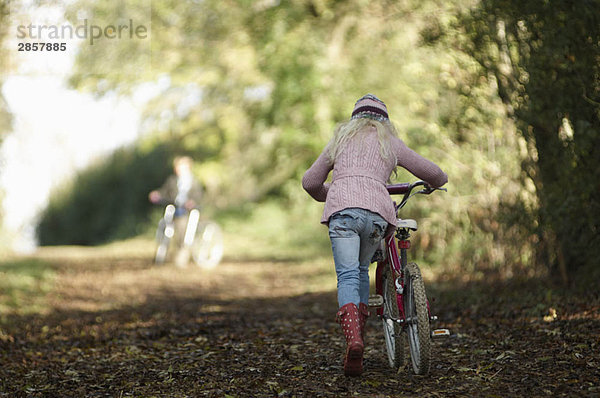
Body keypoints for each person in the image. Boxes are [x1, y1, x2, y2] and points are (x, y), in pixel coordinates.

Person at [302, 94, 448, 376]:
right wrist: (434, 184)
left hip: (343, 214)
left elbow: (310, 181)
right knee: (359, 271)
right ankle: (362, 337)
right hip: (378, 215)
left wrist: (334, 193)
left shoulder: (340, 141)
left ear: (354, 119)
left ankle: (354, 339)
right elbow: (436, 174)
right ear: (385, 121)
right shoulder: (389, 142)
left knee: (346, 275)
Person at [149, 156, 204, 258]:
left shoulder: (194, 182)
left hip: (186, 211)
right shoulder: (172, 180)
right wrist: (157, 194)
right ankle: (163, 249)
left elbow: (198, 196)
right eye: (177, 167)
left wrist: (192, 202)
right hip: (174, 208)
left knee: (182, 227)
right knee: (164, 224)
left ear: (188, 167)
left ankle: (182, 251)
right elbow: (164, 191)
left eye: (181, 167)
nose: (178, 169)